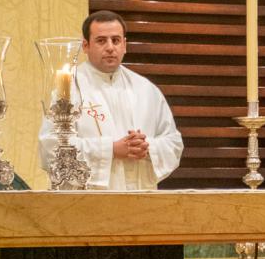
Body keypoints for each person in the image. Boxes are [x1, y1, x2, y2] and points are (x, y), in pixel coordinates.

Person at [40, 10, 182, 189]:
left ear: (125, 45)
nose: (110, 47)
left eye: (116, 40)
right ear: (85, 46)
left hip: (140, 200)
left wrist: (147, 148)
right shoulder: (68, 90)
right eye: (101, 40)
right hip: (87, 202)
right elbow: (49, 149)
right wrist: (111, 150)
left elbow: (174, 143)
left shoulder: (146, 89)